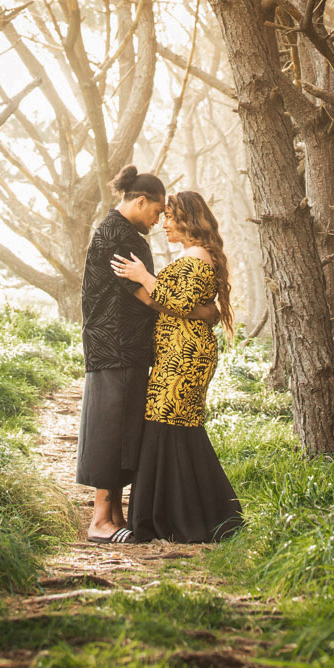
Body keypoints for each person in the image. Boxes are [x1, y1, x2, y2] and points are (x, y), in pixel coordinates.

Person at [77, 166, 216, 542]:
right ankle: (101, 520)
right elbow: (145, 296)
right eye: (157, 211)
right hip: (117, 347)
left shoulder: (121, 233)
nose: (158, 221)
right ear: (141, 201)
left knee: (122, 432)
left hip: (124, 347)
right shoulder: (119, 237)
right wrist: (205, 311)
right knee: (110, 430)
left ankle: (116, 516)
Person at [110, 189, 243, 545]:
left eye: (170, 217)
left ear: (186, 220)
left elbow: (180, 301)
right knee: (174, 428)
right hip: (177, 353)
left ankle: (173, 519)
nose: (164, 223)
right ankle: (197, 516)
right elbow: (180, 305)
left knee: (167, 425)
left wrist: (142, 275)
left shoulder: (196, 256)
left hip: (184, 356)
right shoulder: (193, 255)